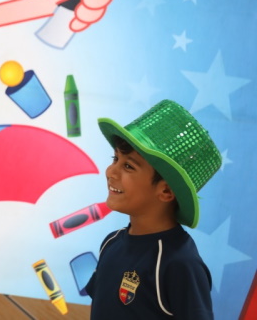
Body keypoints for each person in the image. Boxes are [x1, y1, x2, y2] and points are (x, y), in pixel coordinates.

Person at [86, 99, 222, 319]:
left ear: (166, 191)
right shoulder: (111, 242)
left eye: (128, 166)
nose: (111, 171)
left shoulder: (180, 265)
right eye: (115, 158)